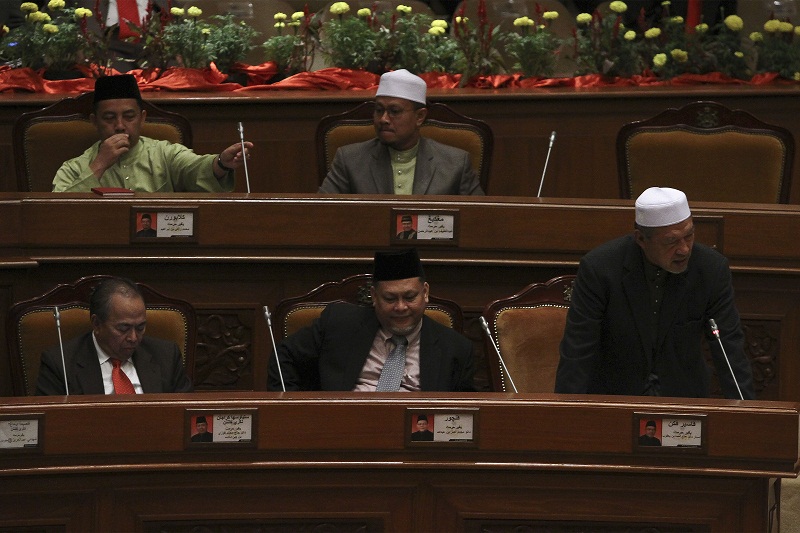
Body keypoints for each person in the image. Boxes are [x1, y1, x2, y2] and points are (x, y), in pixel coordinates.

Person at [555, 187, 755, 399]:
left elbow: (729, 347)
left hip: (684, 400)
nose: (684, 249)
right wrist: (568, 414)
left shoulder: (710, 269)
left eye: (689, 236)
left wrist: (746, 410)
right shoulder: (600, 269)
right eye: (671, 241)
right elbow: (578, 349)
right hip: (615, 397)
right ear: (641, 239)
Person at [268, 248, 475, 392]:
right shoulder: (339, 323)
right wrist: (291, 410)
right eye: (390, 298)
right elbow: (282, 356)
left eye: (410, 297)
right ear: (374, 296)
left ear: (426, 293)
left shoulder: (455, 348)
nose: (401, 307)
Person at [52, 74, 252, 192]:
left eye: (129, 116)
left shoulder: (165, 153)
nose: (120, 126)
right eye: (109, 118)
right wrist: (99, 165)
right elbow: (57, 214)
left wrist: (221, 163)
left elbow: (195, 167)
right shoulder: (74, 167)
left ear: (142, 118)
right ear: (95, 121)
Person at [318, 69, 485, 196]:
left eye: (394, 111)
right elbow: (322, 214)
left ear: (420, 117)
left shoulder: (455, 163)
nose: (383, 119)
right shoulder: (349, 160)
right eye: (378, 110)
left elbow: (478, 220)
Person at [36, 276, 194, 395]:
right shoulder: (60, 363)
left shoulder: (166, 356)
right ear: (97, 324)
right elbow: (53, 426)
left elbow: (184, 417)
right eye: (123, 328)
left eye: (140, 327)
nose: (133, 338)